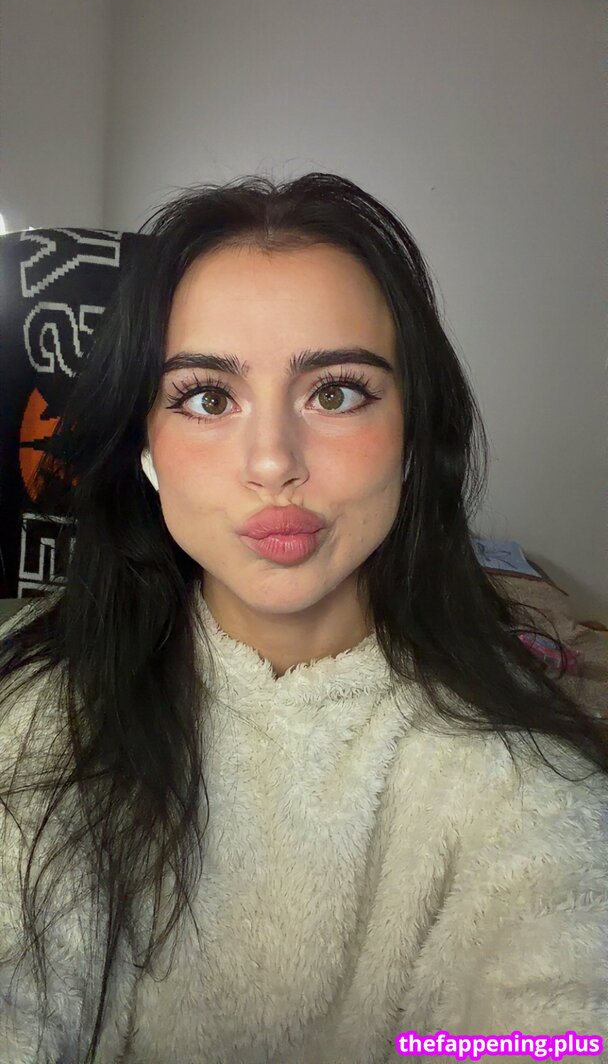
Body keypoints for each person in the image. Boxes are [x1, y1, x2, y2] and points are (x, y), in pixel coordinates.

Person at [0, 173, 606, 1064]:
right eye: (207, 397)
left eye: (337, 392)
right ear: (145, 448)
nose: (273, 462)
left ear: (414, 435)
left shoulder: (525, 784)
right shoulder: (36, 712)